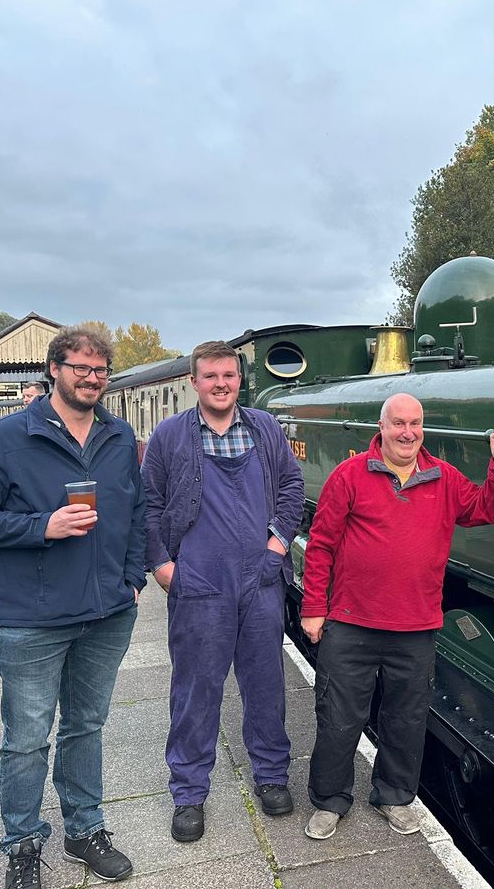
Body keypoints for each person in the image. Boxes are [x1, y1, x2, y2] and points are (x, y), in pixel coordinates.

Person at [0, 326, 146, 889]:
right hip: (33, 618)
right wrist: (43, 527)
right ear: (54, 369)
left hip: (107, 613)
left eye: (100, 369)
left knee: (86, 726)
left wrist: (132, 581)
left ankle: (85, 830)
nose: (91, 378)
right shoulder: (8, 436)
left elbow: (136, 514)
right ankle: (22, 843)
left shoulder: (117, 435)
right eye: (80, 367)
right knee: (27, 737)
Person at [300, 393, 494, 840]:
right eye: (398, 423)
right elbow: (320, 546)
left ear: (423, 429)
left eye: (415, 424)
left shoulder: (443, 477)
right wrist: (313, 609)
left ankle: (394, 796)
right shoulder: (350, 475)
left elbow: (484, 510)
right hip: (350, 623)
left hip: (415, 627)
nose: (407, 432)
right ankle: (329, 801)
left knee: (406, 719)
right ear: (381, 427)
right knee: (339, 717)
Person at [142, 341, 304, 843]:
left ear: (240, 380)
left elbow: (292, 488)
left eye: (229, 376)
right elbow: (148, 506)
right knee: (196, 690)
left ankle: (272, 776)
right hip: (199, 582)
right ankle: (189, 793)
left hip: (259, 580)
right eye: (210, 376)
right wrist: (165, 568)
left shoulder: (264, 428)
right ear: (194, 382)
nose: (221, 384)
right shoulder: (170, 436)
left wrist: (276, 549)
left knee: (265, 684)